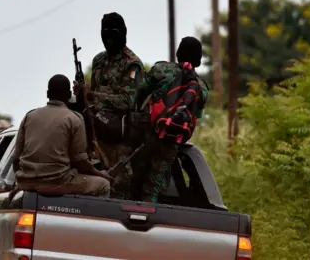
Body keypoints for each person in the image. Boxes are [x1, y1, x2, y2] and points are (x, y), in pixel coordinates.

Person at [74, 12, 144, 199]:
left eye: (113, 32)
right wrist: (81, 94)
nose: (108, 37)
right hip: (94, 133)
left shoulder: (132, 64)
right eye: (105, 32)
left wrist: (93, 95)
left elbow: (127, 101)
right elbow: (90, 99)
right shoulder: (99, 60)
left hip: (118, 137)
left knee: (118, 186)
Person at [130, 36, 208, 203]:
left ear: (178, 53)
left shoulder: (161, 70)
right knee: (154, 187)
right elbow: (197, 115)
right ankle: (146, 213)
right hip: (172, 140)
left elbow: (140, 92)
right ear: (198, 60)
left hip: (146, 133)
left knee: (132, 178)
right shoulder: (202, 88)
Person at [12, 74, 113, 197]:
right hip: (57, 183)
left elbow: (16, 158)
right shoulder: (74, 118)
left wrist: (22, 181)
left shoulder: (29, 116)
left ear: (47, 94)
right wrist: (100, 174)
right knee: (103, 185)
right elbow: (80, 162)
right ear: (69, 95)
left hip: (26, 182)